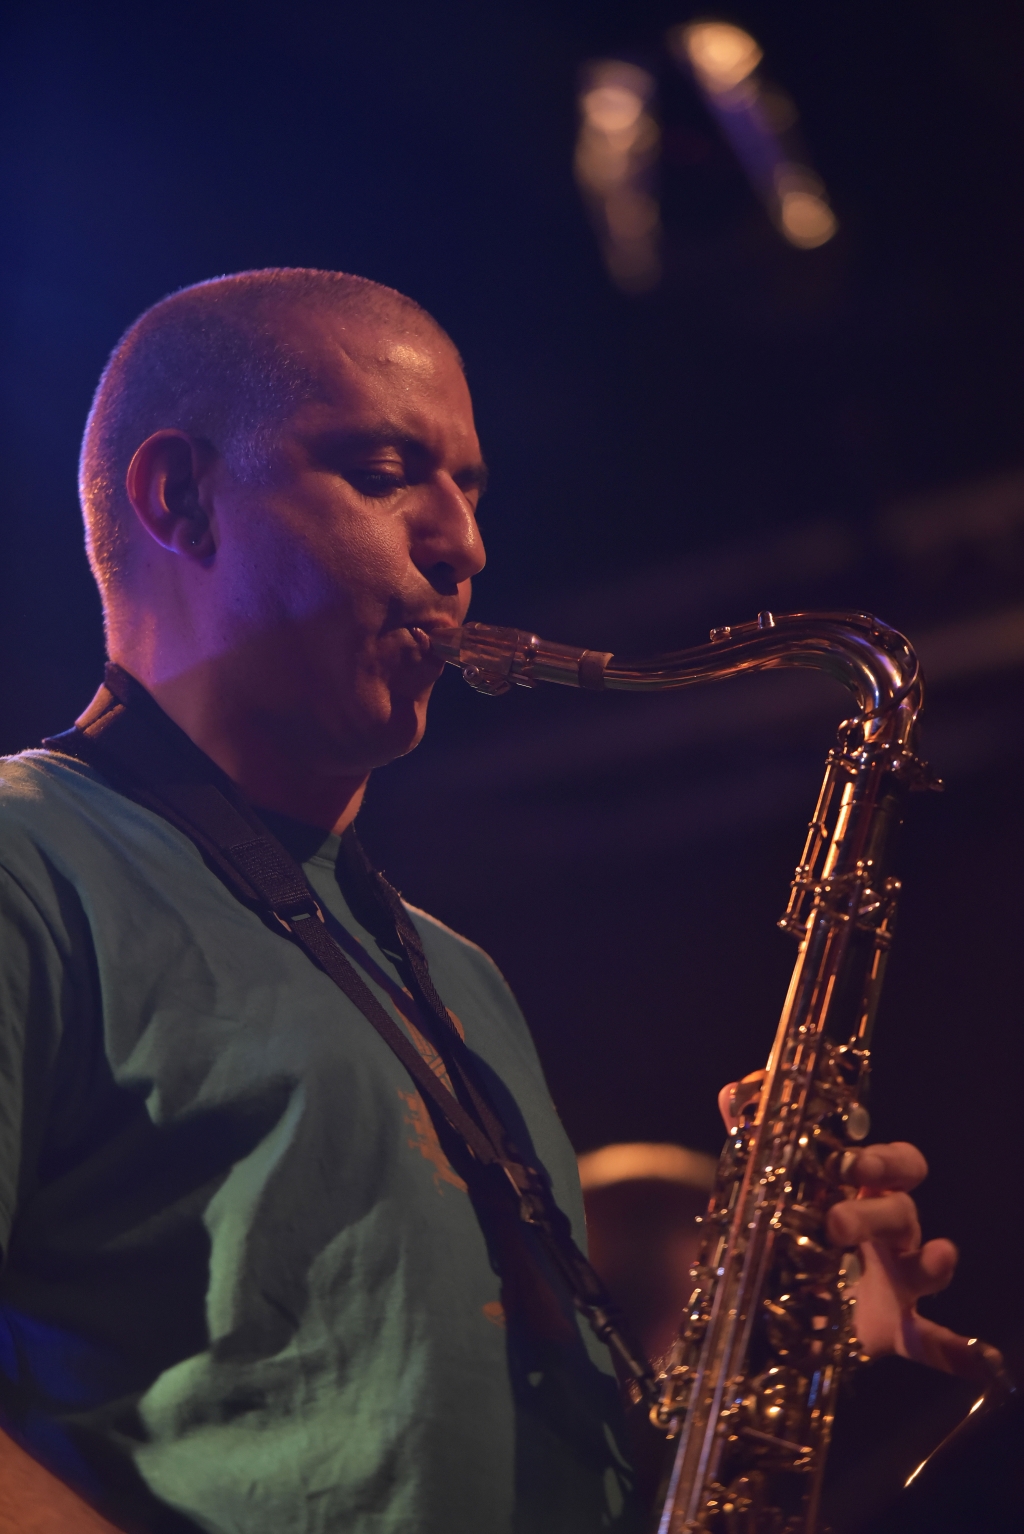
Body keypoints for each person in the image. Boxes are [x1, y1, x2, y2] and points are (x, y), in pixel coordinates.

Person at [0, 269, 982, 1534]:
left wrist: (787, 1345)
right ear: (180, 496)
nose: (461, 545)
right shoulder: (33, 858)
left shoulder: (455, 976)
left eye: (468, 488)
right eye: (384, 471)